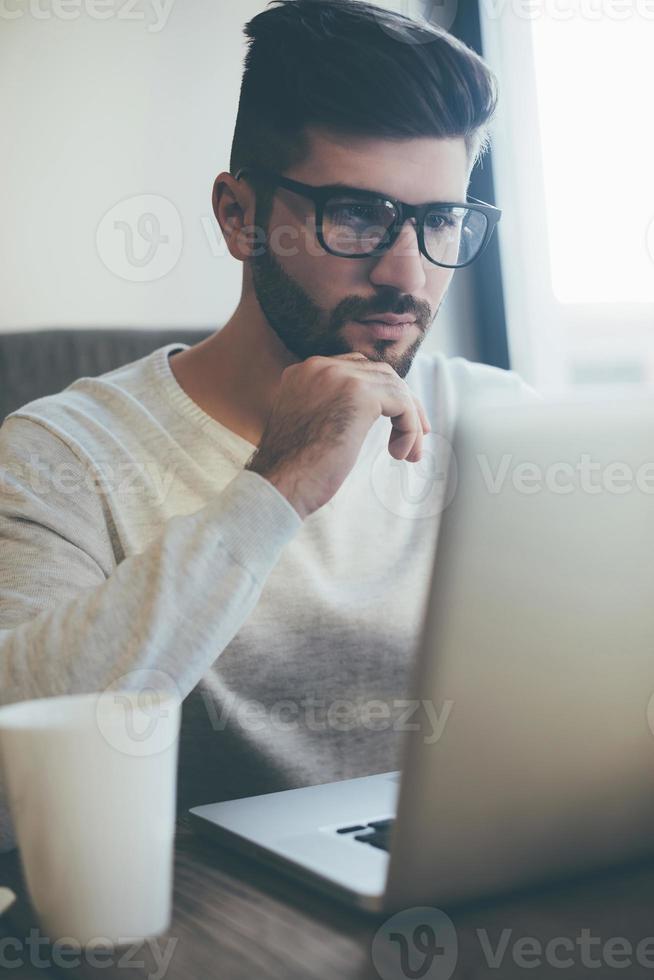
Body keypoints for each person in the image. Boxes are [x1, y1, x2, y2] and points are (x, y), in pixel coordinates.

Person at [0, 0, 535, 851]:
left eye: (440, 222)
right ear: (238, 216)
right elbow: (15, 756)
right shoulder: (60, 456)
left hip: (494, 877)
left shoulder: (505, 423)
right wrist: (277, 485)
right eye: (357, 215)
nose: (409, 276)